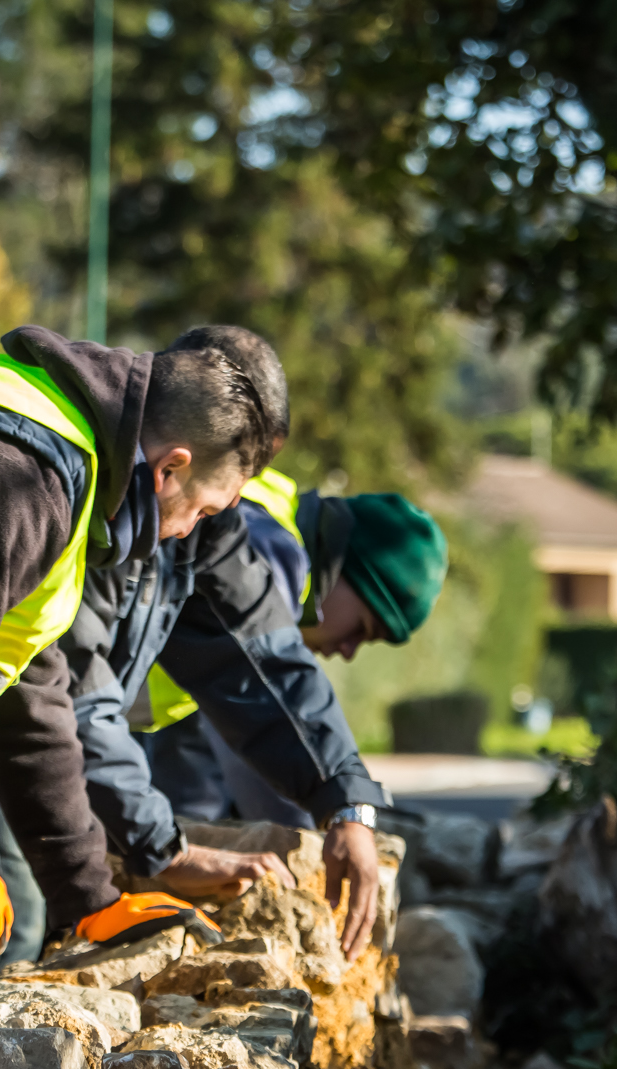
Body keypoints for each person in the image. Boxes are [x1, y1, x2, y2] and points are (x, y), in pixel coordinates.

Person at [0, 325, 279, 1012]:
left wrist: (89, 895)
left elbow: (28, 695)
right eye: (203, 510)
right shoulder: (23, 478)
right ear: (171, 468)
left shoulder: (71, 476)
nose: (190, 531)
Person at [61, 328, 430, 961]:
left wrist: (347, 801)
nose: (243, 492)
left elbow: (264, 663)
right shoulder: (98, 494)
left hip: (36, 759)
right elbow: (77, 694)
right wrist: (165, 848)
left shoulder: (204, 519)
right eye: (244, 462)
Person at [139, 466, 450, 831]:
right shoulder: (271, 562)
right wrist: (325, 829)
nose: (348, 650)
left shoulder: (270, 502)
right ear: (344, 566)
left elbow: (187, 747)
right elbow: (263, 723)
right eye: (362, 629)